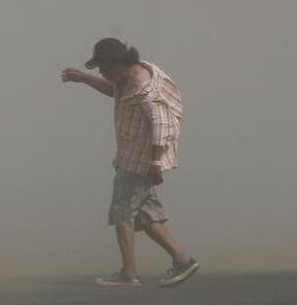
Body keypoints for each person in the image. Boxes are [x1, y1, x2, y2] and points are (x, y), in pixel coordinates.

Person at [62, 38, 200, 288]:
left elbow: (162, 125)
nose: (102, 73)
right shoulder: (127, 76)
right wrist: (83, 78)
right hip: (133, 156)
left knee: (123, 212)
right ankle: (182, 260)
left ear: (116, 64)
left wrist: (156, 163)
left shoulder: (143, 87)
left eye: (103, 68)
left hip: (140, 162)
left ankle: (129, 272)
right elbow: (110, 89)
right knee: (145, 216)